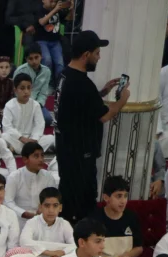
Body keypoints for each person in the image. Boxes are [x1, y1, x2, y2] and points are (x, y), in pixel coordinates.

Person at [54, 31, 130, 222]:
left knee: (69, 192)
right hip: (80, 154)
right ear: (86, 55)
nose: (99, 57)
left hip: (66, 148)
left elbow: (79, 104)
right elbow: (104, 115)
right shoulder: (82, 84)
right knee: (82, 202)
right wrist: (123, 99)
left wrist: (103, 91)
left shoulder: (64, 74)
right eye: (97, 53)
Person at [89, 176, 144, 257]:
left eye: (125, 196)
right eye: (118, 196)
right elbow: (87, 247)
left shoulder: (131, 217)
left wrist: (128, 255)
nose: (123, 201)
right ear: (106, 198)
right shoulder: (95, 218)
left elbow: (139, 247)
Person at [19, 187, 74, 257]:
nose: (51, 210)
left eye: (55, 206)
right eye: (47, 206)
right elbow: (24, 242)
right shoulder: (32, 222)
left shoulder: (64, 224)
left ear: (60, 208)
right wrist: (50, 252)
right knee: (32, 255)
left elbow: (75, 245)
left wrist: (60, 254)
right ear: (40, 207)